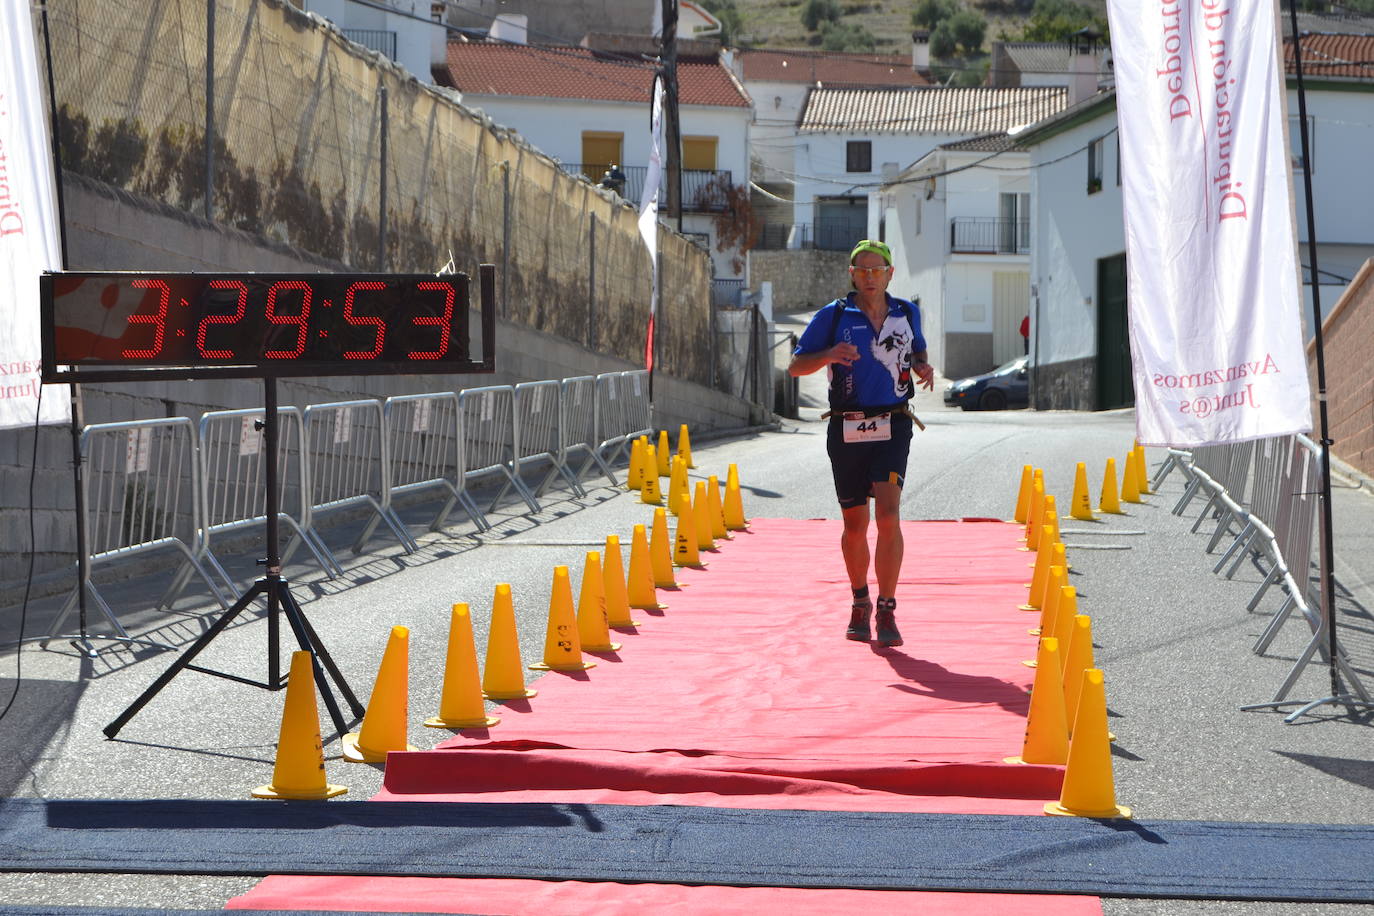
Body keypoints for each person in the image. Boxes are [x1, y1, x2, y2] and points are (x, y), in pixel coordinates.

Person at [788, 239, 934, 648]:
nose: (870, 277)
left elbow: (917, 350)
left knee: (888, 516)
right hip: (847, 425)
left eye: (878, 269)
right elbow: (796, 366)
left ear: (890, 273)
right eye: (862, 270)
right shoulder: (833, 316)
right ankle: (860, 601)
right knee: (856, 526)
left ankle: (887, 608)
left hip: (893, 422)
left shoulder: (907, 311)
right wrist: (830, 353)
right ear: (852, 274)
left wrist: (922, 366)